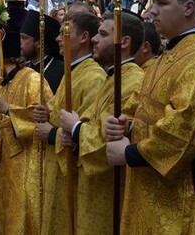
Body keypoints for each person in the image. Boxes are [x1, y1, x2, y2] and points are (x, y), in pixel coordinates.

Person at [105, 0, 195, 233]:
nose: (151, 11)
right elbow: (139, 108)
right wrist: (123, 125)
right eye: (153, 3)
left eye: (162, 3)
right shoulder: (164, 58)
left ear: (188, 8)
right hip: (150, 194)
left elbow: (182, 132)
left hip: (182, 204)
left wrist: (128, 152)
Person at [57, 12, 144, 235]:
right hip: (93, 189)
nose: (95, 39)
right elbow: (92, 121)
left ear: (124, 42)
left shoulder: (132, 80)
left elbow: (109, 139)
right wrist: (73, 136)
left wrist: (76, 129)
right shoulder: (112, 76)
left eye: (103, 34)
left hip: (110, 191)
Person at [33, 12, 106, 235]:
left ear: (84, 37)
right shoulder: (71, 72)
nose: (56, 39)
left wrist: (52, 133)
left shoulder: (94, 77)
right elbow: (60, 113)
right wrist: (48, 112)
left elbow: (87, 132)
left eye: (65, 33)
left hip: (74, 176)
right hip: (57, 169)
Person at [0, 3, 52, 234]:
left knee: (23, 220)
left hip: (27, 163)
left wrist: (9, 110)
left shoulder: (33, 79)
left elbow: (42, 117)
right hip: (5, 165)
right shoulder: (5, 84)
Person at [20, 9, 65, 95]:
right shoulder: (23, 69)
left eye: (24, 38)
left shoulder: (61, 70)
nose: (20, 42)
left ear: (39, 43)